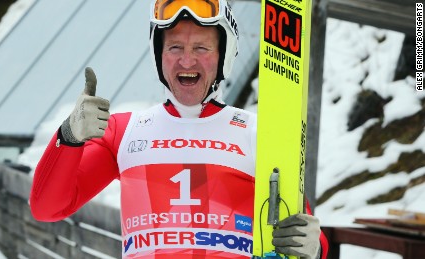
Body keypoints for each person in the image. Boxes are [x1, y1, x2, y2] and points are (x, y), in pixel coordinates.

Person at [29, 0, 328, 258]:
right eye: (175, 47)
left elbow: (308, 236)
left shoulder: (258, 133)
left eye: (201, 47)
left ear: (224, 54)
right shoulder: (124, 132)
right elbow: (47, 207)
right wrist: (68, 136)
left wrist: (314, 247)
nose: (187, 60)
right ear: (158, 55)